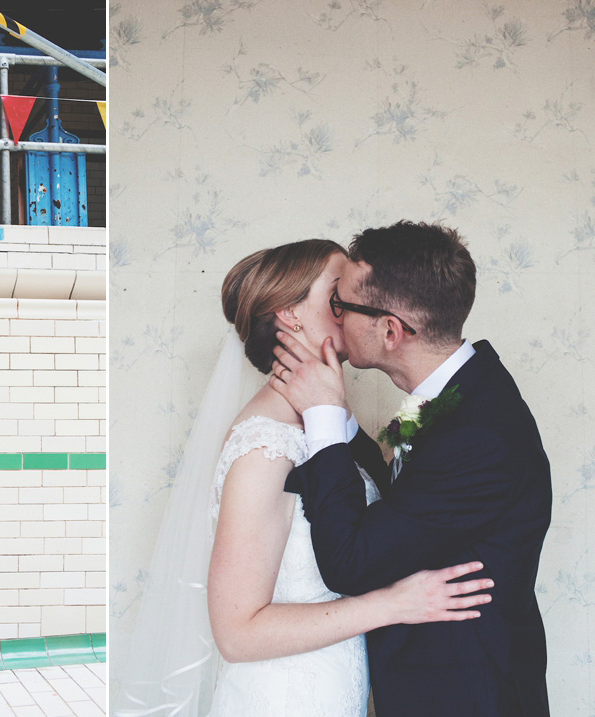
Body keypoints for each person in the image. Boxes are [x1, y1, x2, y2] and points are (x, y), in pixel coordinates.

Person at [113, 239, 493, 717]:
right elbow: (236, 632)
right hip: (282, 698)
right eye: (338, 298)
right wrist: (391, 605)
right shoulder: (264, 445)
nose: (358, 312)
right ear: (289, 315)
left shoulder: (324, 421)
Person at [270, 222, 551, 716]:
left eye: (343, 305)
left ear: (390, 330)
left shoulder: (479, 434)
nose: (336, 317)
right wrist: (338, 415)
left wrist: (321, 419)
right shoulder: (452, 390)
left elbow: (350, 563)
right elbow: (399, 493)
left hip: (467, 695)